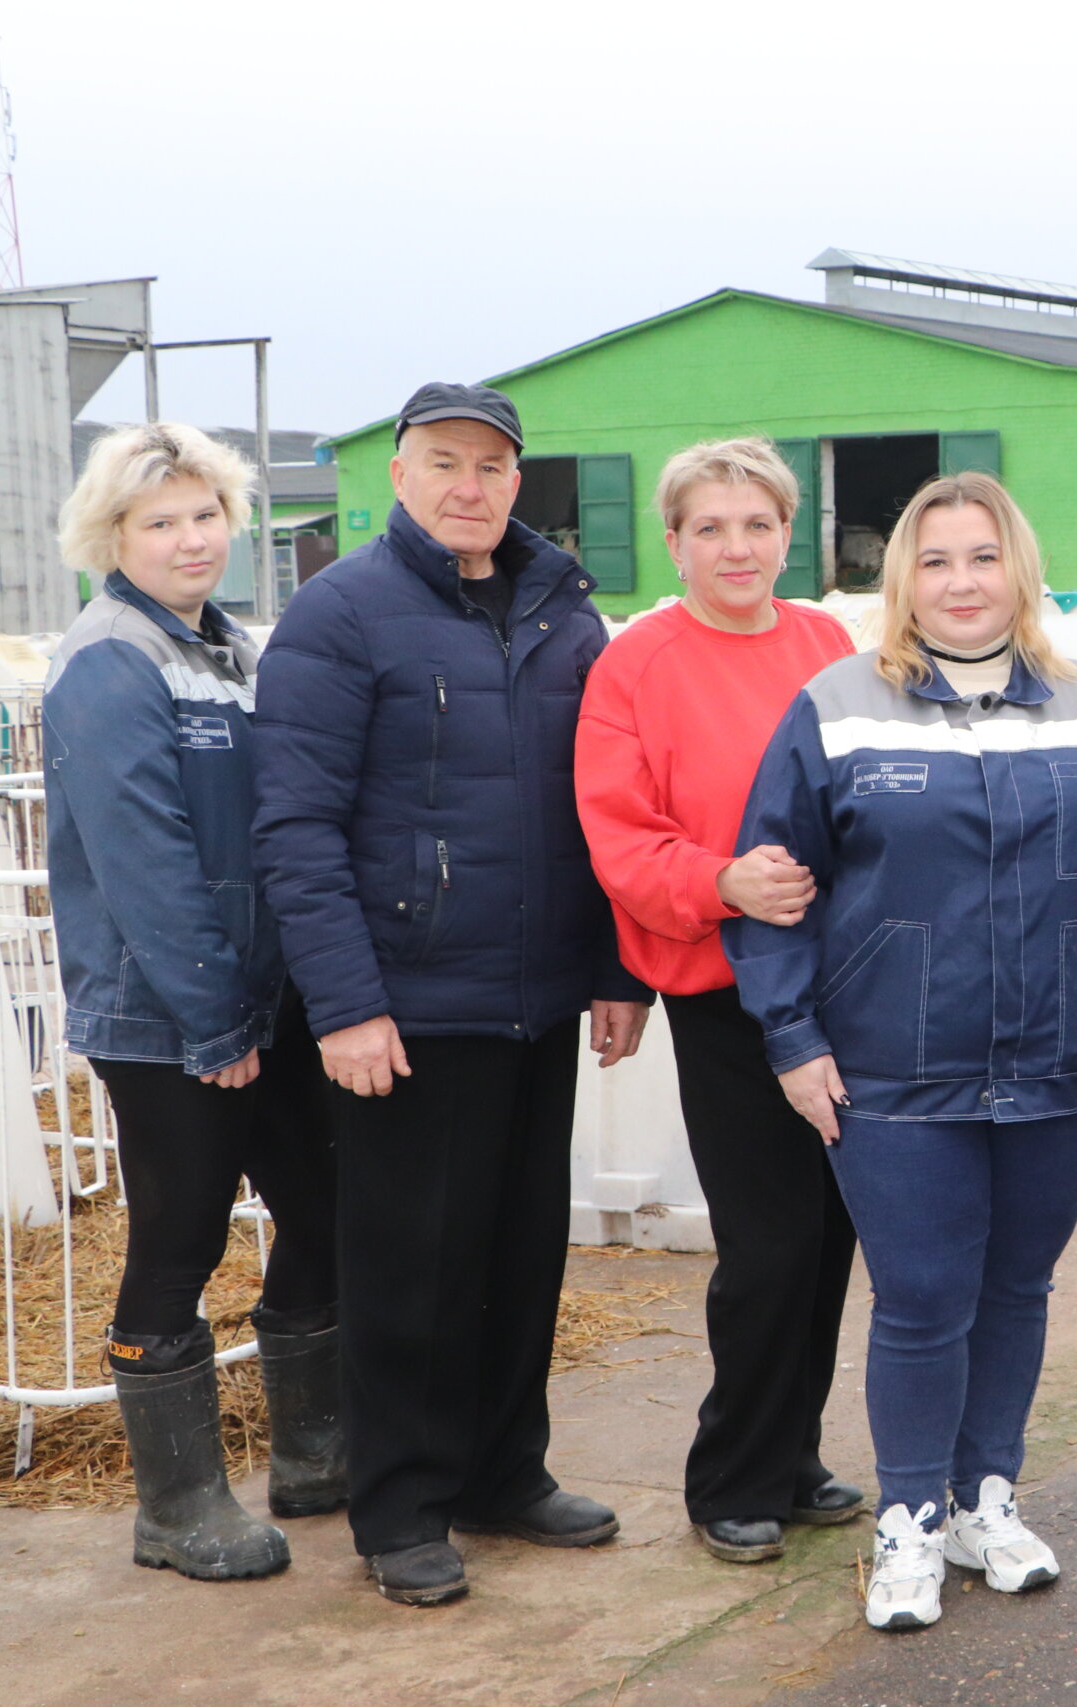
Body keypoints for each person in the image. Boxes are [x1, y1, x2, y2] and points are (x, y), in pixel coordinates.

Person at [252, 382, 653, 1607]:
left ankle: (501, 1473)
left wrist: (615, 970)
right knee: (410, 1268)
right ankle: (403, 1507)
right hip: (409, 1007)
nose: (468, 485)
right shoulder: (340, 615)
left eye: (491, 465)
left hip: (535, 999)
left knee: (520, 1252)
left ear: (517, 482)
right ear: (399, 475)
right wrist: (345, 1005)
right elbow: (297, 829)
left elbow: (600, 816)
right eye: (443, 462)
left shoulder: (566, 616)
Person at [727, 473, 1077, 1633]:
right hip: (890, 1071)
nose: (962, 582)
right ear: (902, 578)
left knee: (1016, 1286)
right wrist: (793, 1039)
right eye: (936, 559)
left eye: (983, 556)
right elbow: (771, 888)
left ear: (1020, 569)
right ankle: (907, 1518)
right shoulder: (837, 704)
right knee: (919, 1298)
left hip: (1061, 1062)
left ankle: (984, 1499)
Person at [44, 423, 341, 1582]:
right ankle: (176, 1505)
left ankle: (315, 1454)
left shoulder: (237, 650)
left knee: (325, 1206)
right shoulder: (108, 657)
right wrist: (214, 1021)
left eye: (204, 514)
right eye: (159, 521)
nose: (189, 538)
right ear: (111, 537)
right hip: (169, 1013)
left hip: (266, 998)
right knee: (180, 1236)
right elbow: (143, 856)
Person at [575, 438, 864, 1565]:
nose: (735, 548)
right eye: (710, 528)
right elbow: (617, 828)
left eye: (755, 526)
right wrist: (720, 880)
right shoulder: (637, 663)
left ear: (785, 533)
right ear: (674, 542)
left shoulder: (828, 642)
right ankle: (729, 1477)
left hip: (846, 983)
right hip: (728, 987)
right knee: (768, 1242)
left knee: (834, 1235)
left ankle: (793, 1457)